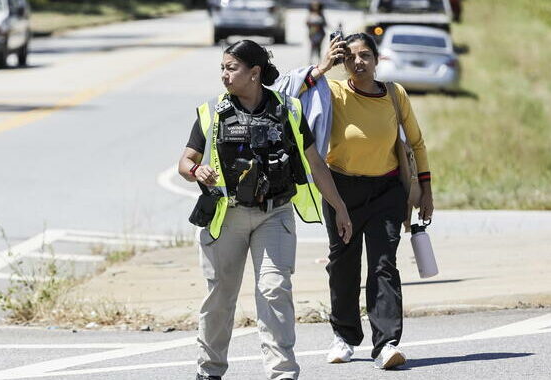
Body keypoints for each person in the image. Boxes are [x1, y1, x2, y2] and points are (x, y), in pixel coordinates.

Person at [178, 39, 352, 380]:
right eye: (222, 68)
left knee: (275, 289)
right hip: (227, 216)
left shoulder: (288, 109)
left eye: (232, 68)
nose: (224, 76)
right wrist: (196, 170)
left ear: (254, 73)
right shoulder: (211, 112)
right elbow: (185, 161)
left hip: (275, 214)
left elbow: (316, 164)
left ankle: (282, 372)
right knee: (220, 297)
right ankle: (209, 371)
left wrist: (340, 209)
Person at [304, 33, 434, 370]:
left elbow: (416, 143)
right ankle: (344, 337)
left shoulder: (394, 93)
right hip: (341, 192)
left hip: (386, 192)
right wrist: (323, 66)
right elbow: (290, 94)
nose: (358, 62)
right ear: (342, 62)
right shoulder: (332, 91)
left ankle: (386, 343)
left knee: (383, 265)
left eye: (365, 56)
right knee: (343, 264)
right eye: (350, 57)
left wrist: (426, 189)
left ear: (377, 60)